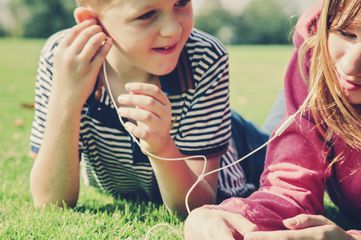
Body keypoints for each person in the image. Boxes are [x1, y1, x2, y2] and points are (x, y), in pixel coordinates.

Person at [184, 0, 361, 240]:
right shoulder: (316, 52)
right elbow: (290, 185)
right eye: (346, 33)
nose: (350, 65)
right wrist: (213, 218)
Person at [29, 0, 276, 217]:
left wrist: (162, 147)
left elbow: (198, 204)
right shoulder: (64, 58)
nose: (173, 30)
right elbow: (51, 201)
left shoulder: (204, 58)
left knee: (296, 149)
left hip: (250, 152)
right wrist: (66, 100)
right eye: (146, 15)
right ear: (92, 21)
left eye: (181, 2)